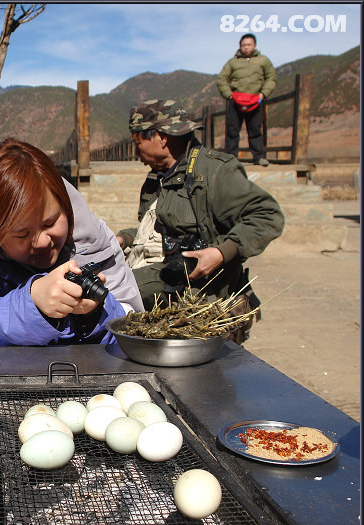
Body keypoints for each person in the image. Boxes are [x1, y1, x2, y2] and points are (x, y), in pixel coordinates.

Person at [0, 139, 144, 347]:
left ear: (64, 204)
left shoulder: (94, 240)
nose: (42, 242)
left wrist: (92, 315)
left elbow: (134, 324)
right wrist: (32, 303)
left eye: (50, 223)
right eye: (22, 234)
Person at [118, 99, 285, 342]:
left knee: (115, 293)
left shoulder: (213, 172)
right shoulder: (159, 176)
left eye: (137, 143)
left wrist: (221, 252)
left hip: (194, 289)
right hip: (158, 275)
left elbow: (267, 215)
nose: (136, 154)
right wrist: (126, 237)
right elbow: (159, 228)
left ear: (161, 138)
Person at [217, 33, 276, 166]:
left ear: (254, 45)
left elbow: (271, 77)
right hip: (236, 100)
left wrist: (263, 94)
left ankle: (258, 157)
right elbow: (222, 79)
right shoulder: (232, 62)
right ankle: (230, 158)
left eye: (249, 44)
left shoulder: (263, 60)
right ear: (240, 46)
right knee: (232, 130)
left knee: (255, 129)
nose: (246, 47)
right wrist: (229, 95)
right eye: (243, 45)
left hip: (255, 100)